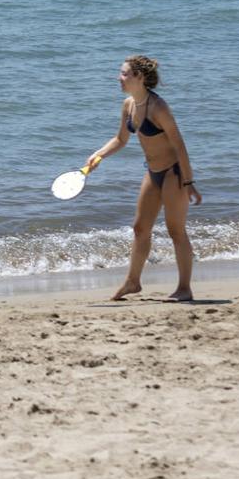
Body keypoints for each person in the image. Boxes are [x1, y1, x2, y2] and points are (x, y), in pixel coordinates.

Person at [87, 56, 202, 302]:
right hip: (152, 172)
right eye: (121, 73)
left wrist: (189, 182)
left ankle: (184, 288)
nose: (119, 78)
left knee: (176, 231)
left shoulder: (158, 107)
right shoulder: (129, 105)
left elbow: (179, 145)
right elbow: (120, 139)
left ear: (139, 77)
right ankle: (133, 282)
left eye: (124, 74)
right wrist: (98, 155)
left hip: (173, 173)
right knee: (140, 228)